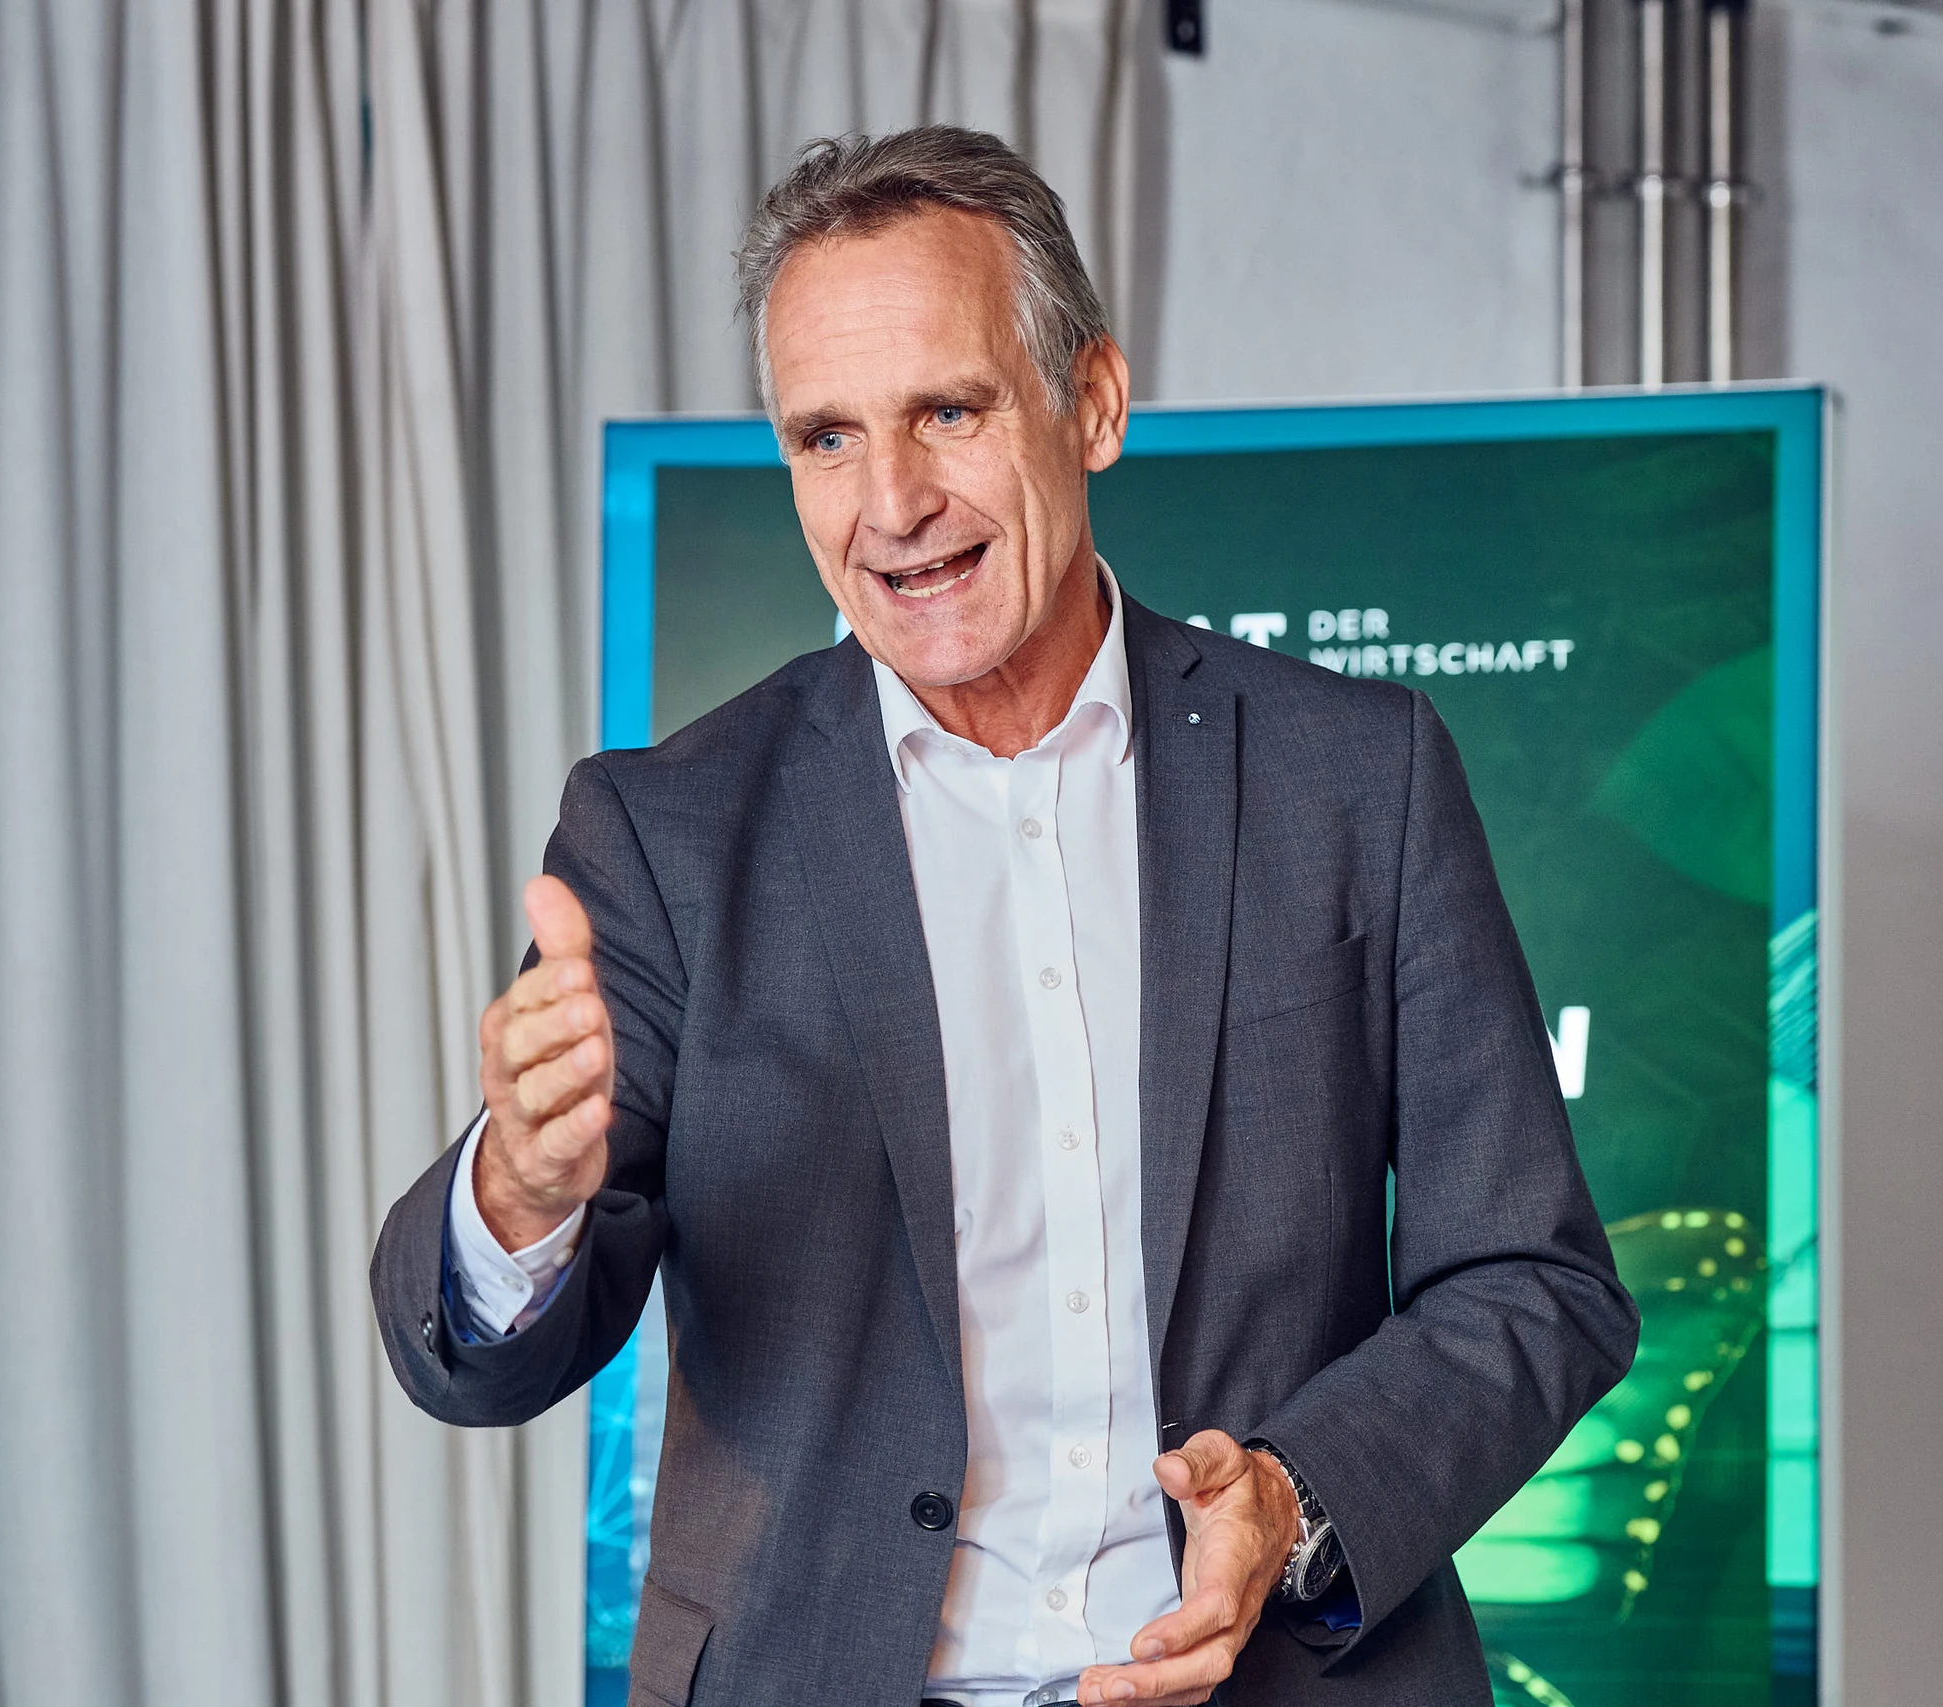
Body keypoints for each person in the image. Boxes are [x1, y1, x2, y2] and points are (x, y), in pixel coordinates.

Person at [372, 126, 1636, 1707]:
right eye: (826, 437)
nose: (891, 503)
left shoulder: (1356, 777)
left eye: (948, 412)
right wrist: (521, 1191)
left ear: (1091, 403)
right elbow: (474, 1361)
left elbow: (1534, 1276)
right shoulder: (667, 834)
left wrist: (1295, 1495)